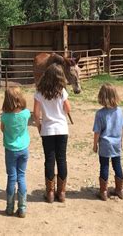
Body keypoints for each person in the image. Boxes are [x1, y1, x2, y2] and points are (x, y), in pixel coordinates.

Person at [33, 63, 71, 203]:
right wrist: (61, 113)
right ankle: (61, 193)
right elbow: (68, 108)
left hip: (47, 129)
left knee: (49, 159)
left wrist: (39, 127)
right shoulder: (62, 91)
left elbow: (36, 114)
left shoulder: (39, 92)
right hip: (61, 129)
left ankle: (49, 193)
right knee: (61, 159)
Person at [0, 87, 31, 218]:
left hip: (10, 150)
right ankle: (22, 208)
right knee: (21, 176)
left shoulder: (5, 117)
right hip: (24, 149)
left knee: (11, 177)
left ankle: (9, 207)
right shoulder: (26, 113)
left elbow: (2, 129)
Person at [93, 83, 123, 201]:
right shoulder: (120, 111)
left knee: (104, 166)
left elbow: (97, 131)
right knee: (117, 165)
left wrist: (95, 145)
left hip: (105, 144)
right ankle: (119, 189)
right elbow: (122, 129)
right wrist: (121, 142)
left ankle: (103, 192)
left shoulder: (100, 114)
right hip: (116, 142)